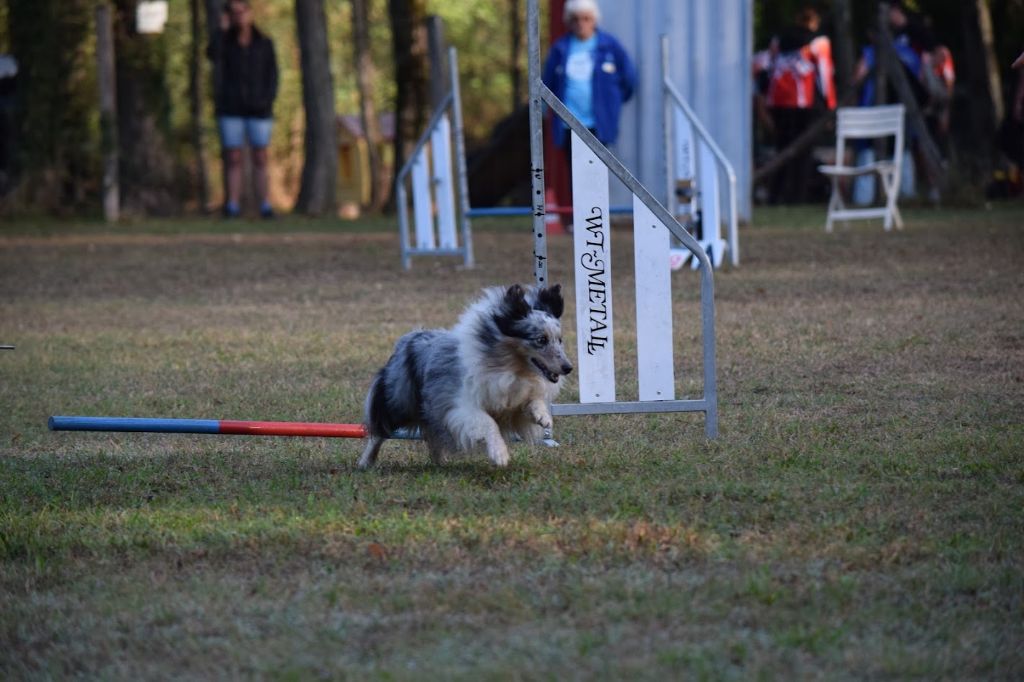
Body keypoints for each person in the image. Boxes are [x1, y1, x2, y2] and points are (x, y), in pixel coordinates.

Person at [542, 0, 636, 227]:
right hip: (569, 123)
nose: (581, 24)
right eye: (575, 19)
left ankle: (598, 220)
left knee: (597, 173)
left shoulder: (610, 46)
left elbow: (629, 80)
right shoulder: (561, 48)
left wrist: (610, 105)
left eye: (586, 18)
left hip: (598, 123)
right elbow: (547, 84)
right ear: (569, 23)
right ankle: (578, 221)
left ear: (594, 20)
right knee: (575, 173)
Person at [207, 0, 278, 218]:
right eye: (233, 13)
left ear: (250, 13)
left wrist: (267, 100)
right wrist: (221, 31)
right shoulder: (225, 44)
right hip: (231, 108)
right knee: (233, 157)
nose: (239, 16)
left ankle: (265, 205)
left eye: (242, 11)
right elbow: (212, 55)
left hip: (259, 109)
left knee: (261, 157)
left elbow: (273, 75)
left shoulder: (264, 43)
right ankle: (232, 206)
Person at [758, 7, 837, 204]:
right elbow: (824, 76)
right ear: (814, 22)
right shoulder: (818, 42)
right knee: (804, 150)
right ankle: (798, 196)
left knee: (782, 149)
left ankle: (775, 196)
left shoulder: (779, 40)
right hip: (804, 103)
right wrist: (830, 105)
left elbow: (768, 67)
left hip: (778, 102)